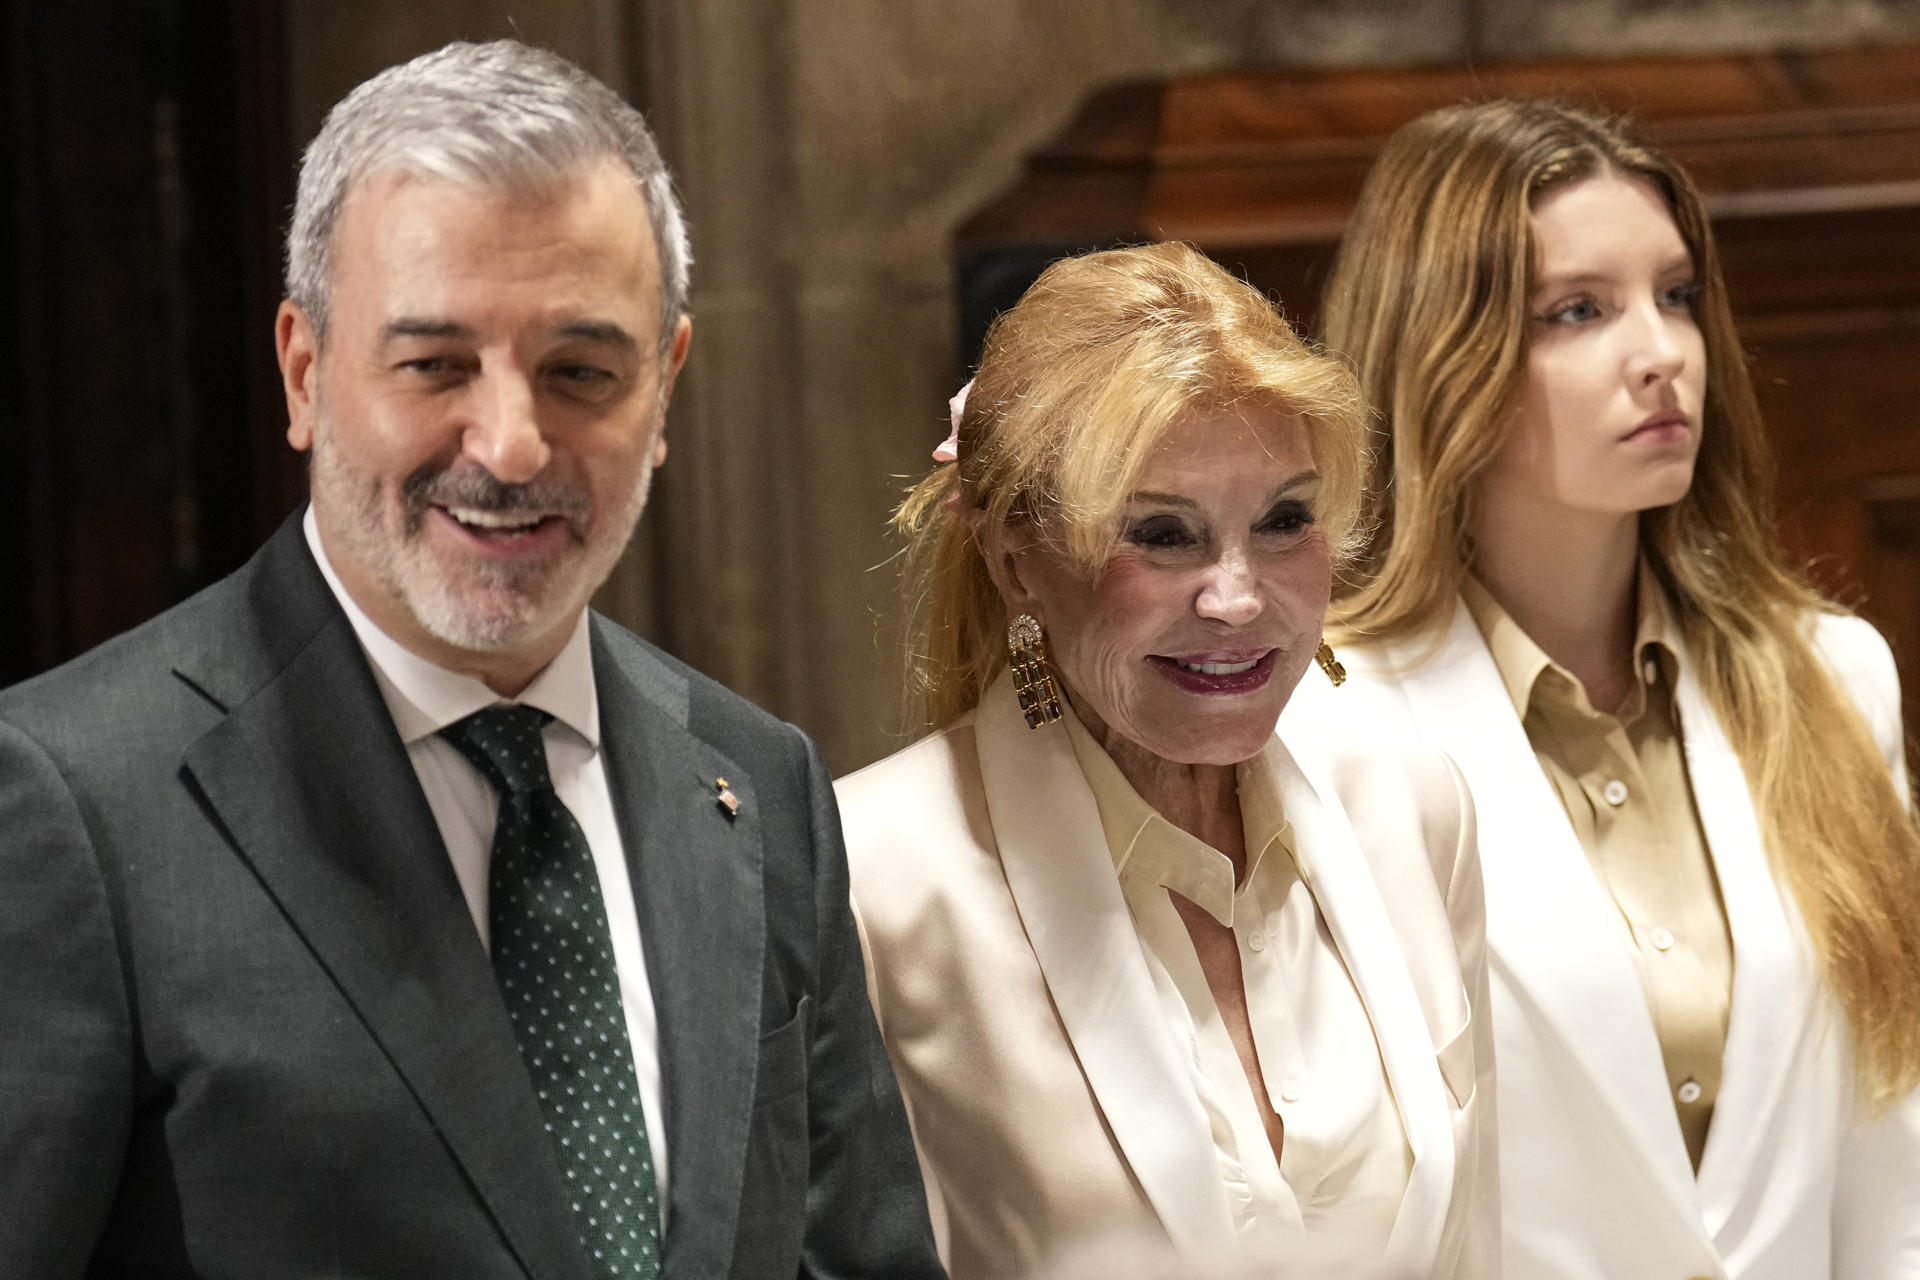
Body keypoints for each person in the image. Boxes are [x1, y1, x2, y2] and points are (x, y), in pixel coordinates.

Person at [0, 40, 942, 1280]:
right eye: (434, 363)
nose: (507, 443)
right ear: (303, 371)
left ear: (663, 390)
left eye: (580, 371)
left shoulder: (758, 785)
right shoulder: (69, 803)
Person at [1283, 98, 1920, 1277]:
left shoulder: (1833, 676)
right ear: (1441, 356)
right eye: (1578, 310)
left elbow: (1895, 1154)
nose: (1663, 352)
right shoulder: (1320, 728)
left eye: (1676, 296)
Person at [839, 242, 1496, 1280]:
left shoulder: (1410, 799)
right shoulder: (872, 880)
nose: (1237, 598)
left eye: (1284, 520)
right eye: (1163, 534)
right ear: (1019, 561)